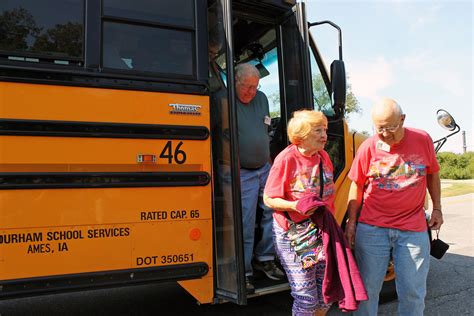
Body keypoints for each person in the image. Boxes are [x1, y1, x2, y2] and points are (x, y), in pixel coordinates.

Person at [345, 98, 443, 316]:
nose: (385, 134)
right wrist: (352, 223)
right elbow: (357, 185)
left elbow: (432, 174)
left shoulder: (422, 139)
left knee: (413, 293)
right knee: (367, 291)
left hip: (413, 230)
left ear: (402, 119)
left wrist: (437, 208)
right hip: (372, 229)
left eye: (390, 127)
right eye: (380, 128)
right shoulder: (368, 146)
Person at [263, 110, 336, 316]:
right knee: (306, 299)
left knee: (326, 294)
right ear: (301, 135)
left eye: (325, 130)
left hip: (321, 231)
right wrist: (296, 206)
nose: (324, 135)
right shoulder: (286, 159)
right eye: (318, 130)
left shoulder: (324, 157)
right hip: (293, 235)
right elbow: (268, 199)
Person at [232, 63, 285, 292]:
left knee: (272, 213)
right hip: (240, 170)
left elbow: (265, 131)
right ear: (235, 81)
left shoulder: (262, 99)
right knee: (245, 220)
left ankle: (265, 259)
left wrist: (269, 160)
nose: (251, 92)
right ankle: (242, 271)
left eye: (255, 87)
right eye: (247, 87)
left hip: (264, 168)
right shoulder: (223, 100)